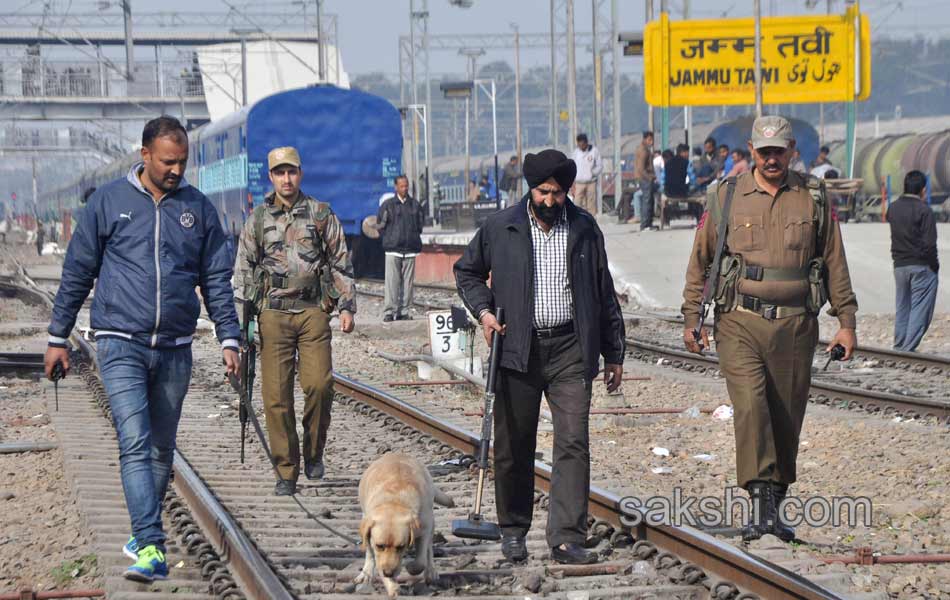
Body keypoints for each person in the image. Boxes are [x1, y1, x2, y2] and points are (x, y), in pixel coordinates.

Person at [44, 115, 241, 582]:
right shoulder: (109, 203)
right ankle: (151, 546)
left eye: (182, 162)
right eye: (168, 162)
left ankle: (142, 532)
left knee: (160, 449)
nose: (176, 170)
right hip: (119, 342)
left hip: (175, 346)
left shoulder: (198, 209)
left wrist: (229, 336)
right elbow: (77, 271)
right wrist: (57, 337)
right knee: (134, 443)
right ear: (145, 154)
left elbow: (215, 277)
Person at [680, 116, 858, 543]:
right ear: (752, 150)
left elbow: (835, 261)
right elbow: (700, 260)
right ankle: (759, 503)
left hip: (797, 325)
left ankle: (775, 505)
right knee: (752, 405)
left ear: (792, 150)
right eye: (764, 151)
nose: (772, 158)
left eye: (779, 150)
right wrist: (691, 316)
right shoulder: (725, 196)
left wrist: (846, 322)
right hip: (739, 321)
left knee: (785, 415)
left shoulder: (813, 197)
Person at [454, 148, 626, 566]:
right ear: (530, 189)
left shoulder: (585, 228)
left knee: (573, 441)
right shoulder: (502, 227)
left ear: (567, 191)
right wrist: (484, 311)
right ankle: (512, 529)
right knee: (514, 443)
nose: (550, 200)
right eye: (543, 192)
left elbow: (603, 292)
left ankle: (567, 537)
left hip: (570, 348)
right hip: (518, 347)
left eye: (557, 193)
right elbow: (467, 271)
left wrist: (614, 351)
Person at [234, 146, 356, 496]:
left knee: (319, 385)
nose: (286, 179)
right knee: (276, 397)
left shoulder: (320, 213)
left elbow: (340, 262)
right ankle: (286, 470)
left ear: (300, 174)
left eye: (292, 172)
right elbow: (243, 270)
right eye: (279, 173)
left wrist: (346, 306)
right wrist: (239, 324)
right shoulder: (257, 219)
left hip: (312, 311)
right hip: (272, 314)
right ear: (271, 177)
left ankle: (313, 451)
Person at [887, 170, 939, 352]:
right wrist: (935, 266)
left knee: (903, 306)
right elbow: (930, 245)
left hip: (899, 266)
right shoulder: (925, 211)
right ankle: (908, 348)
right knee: (920, 307)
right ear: (923, 190)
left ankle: (899, 345)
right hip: (921, 266)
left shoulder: (892, 208)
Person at [376, 174, 425, 322]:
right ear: (396, 187)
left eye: (406, 185)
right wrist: (390, 238)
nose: (405, 188)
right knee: (391, 282)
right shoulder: (388, 205)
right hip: (392, 249)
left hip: (410, 249)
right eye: (402, 186)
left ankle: (404, 311)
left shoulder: (415, 205)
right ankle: (389, 311)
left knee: (408, 283)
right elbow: (380, 225)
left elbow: (420, 226)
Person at [571, 133, 603, 214]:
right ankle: (577, 220)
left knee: (591, 204)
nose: (581, 146)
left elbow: (599, 165)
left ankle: (591, 221)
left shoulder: (594, 151)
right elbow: (572, 166)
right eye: (579, 145)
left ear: (586, 143)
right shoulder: (576, 153)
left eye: (583, 144)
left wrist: (593, 173)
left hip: (591, 182)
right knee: (577, 202)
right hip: (579, 183)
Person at [634, 131, 657, 231]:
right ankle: (645, 224)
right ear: (644, 139)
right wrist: (649, 177)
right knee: (647, 201)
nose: (651, 142)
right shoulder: (643, 151)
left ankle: (648, 223)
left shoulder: (644, 149)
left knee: (649, 200)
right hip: (645, 179)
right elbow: (641, 168)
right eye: (649, 140)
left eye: (652, 140)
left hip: (645, 178)